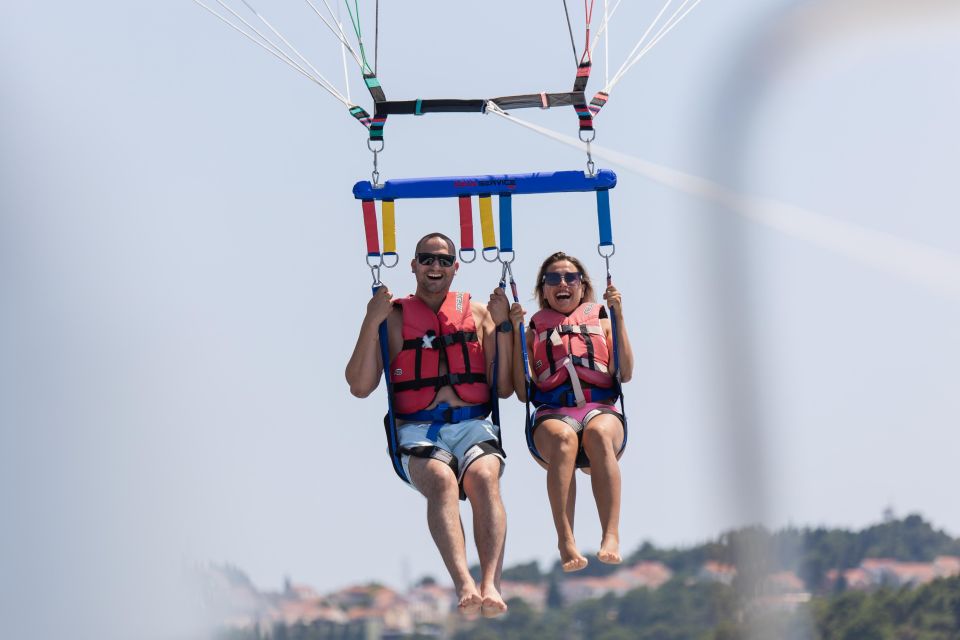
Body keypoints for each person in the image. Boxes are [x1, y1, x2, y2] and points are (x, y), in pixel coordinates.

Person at [345, 232, 515, 617]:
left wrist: (504, 328)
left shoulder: (478, 315)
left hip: (472, 425)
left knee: (485, 477)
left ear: (456, 267)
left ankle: (490, 583)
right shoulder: (393, 318)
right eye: (426, 259)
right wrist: (371, 319)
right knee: (441, 481)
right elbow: (359, 385)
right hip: (417, 430)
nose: (434, 267)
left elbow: (503, 388)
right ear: (413, 265)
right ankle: (465, 584)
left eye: (442, 260)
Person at [508, 251, 634, 572]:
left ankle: (611, 535)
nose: (562, 283)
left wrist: (619, 317)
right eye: (553, 279)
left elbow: (626, 372)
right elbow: (523, 391)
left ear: (582, 285)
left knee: (598, 433)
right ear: (544, 289)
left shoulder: (602, 318)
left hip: (599, 408)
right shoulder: (532, 329)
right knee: (565, 441)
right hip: (554, 413)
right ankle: (566, 540)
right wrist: (513, 334)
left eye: (570, 277)